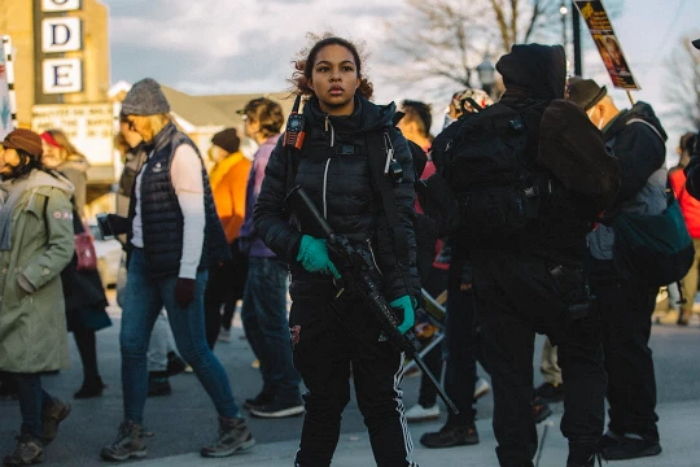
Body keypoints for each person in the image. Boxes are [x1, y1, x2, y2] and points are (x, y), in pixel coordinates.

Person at [254, 35, 419, 466]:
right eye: (324, 68)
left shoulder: (385, 137)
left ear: (358, 77)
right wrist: (300, 245)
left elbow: (398, 224)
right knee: (323, 403)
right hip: (314, 293)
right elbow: (265, 215)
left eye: (345, 67)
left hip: (374, 289)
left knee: (381, 401)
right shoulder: (293, 142)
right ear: (309, 79)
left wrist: (404, 290)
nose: (335, 77)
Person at [458, 45, 607, 467]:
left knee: (509, 379)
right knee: (581, 359)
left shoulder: (474, 127)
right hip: (558, 266)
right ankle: (581, 453)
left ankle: (516, 458)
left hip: (493, 271)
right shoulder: (558, 120)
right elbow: (604, 182)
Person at [100, 78, 254, 461]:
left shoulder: (179, 151)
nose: (123, 129)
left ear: (140, 118)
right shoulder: (152, 153)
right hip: (144, 262)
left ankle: (234, 425)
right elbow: (156, 212)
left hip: (176, 269)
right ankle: (132, 432)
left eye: (126, 121)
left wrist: (187, 275)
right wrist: (125, 227)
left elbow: (195, 217)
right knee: (131, 346)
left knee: (194, 350)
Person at [571, 77, 666, 460]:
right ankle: (624, 425)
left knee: (628, 348)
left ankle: (641, 431)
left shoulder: (637, 134)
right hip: (614, 259)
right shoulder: (620, 136)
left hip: (633, 261)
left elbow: (616, 185)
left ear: (596, 110)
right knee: (616, 347)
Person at [0, 129, 75, 466]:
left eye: (7, 151)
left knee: (25, 367)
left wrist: (29, 278)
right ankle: (49, 407)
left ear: (25, 155)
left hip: (30, 296)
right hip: (6, 295)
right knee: (11, 366)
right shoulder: (5, 191)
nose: (1, 157)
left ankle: (30, 440)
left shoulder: (49, 193)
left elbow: (62, 246)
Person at [237, 97, 303, 418]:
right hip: (274, 246)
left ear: (254, 121)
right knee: (254, 318)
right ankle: (275, 384)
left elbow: (263, 205)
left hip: (266, 248)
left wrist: (246, 234)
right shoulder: (281, 148)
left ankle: (286, 390)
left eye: (246, 118)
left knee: (268, 321)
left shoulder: (266, 153)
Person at [40, 129, 112, 399]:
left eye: (50, 147)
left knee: (81, 316)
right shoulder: (63, 171)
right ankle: (88, 375)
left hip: (69, 249)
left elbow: (69, 207)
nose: (46, 153)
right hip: (68, 247)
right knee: (76, 315)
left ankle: (92, 377)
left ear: (61, 147)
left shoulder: (67, 174)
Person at [204, 128, 251, 347]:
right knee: (214, 299)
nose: (210, 150)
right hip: (221, 242)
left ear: (222, 149)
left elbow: (240, 212)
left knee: (213, 299)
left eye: (214, 145)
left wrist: (223, 244)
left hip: (231, 246)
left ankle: (206, 350)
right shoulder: (221, 169)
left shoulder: (239, 169)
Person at [668, 132, 700, 325]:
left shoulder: (677, 176)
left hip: (689, 226)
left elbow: (675, 201)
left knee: (689, 270)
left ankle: (686, 310)